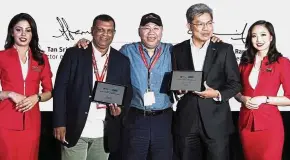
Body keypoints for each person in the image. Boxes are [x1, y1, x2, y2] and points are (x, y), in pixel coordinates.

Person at [53, 14, 132, 160]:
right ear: (92, 31)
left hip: (104, 132)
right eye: (100, 30)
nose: (105, 35)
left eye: (109, 31)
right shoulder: (74, 54)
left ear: (114, 33)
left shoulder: (122, 60)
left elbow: (127, 91)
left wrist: (121, 109)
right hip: (75, 128)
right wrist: (59, 123)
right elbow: (60, 89)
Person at [172, 3, 241, 160]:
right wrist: (179, 90)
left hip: (217, 122)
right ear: (189, 25)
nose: (206, 28)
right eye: (200, 24)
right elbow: (175, 81)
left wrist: (216, 93)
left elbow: (235, 84)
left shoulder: (225, 49)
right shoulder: (177, 50)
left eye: (209, 23)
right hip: (186, 121)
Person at [0, 13, 53, 160]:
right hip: (5, 120)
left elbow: (49, 91)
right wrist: (9, 94)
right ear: (12, 32)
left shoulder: (41, 59)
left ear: (32, 33)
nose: (23, 34)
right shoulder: (1, 57)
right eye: (19, 30)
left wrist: (36, 98)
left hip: (32, 121)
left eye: (28, 30)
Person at [235, 20, 290, 160]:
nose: (259, 39)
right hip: (246, 126)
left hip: (270, 127)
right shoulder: (245, 63)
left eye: (263, 35)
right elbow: (235, 90)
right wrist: (242, 98)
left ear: (271, 37)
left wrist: (264, 99)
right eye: (254, 36)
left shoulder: (282, 62)